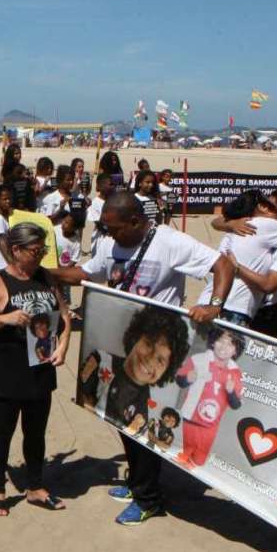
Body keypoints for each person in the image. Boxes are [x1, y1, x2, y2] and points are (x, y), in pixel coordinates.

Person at [52, 191, 234, 525]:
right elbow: (85, 274)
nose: (108, 234)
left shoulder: (169, 242)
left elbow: (222, 264)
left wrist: (215, 304)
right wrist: (46, 272)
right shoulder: (109, 243)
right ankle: (138, 483)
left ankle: (149, 499)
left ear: (136, 222)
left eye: (115, 228)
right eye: (105, 228)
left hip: (157, 351)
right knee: (121, 416)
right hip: (122, 344)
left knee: (146, 424)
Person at [0, 223, 72, 517]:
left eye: (43, 249)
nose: (41, 255)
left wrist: (63, 347)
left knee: (36, 431)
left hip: (41, 368)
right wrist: (5, 318)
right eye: (35, 250)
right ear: (16, 250)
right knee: (3, 431)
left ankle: (35, 487)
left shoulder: (45, 277)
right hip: (7, 369)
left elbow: (65, 318)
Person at [202, 189, 277, 326]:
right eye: (264, 204)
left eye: (272, 208)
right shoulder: (260, 225)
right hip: (235, 307)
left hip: (210, 302)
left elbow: (216, 222)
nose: (266, 208)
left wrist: (229, 224)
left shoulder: (237, 228)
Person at [174, 328, 244, 468]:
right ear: (213, 343)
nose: (223, 347)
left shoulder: (235, 373)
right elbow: (180, 380)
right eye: (220, 341)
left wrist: (230, 392)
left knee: (199, 462)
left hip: (209, 426)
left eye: (230, 344)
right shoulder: (198, 360)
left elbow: (236, 404)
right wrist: (187, 378)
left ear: (235, 351)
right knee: (183, 457)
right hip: (190, 418)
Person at [87, 173, 114, 256]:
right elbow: (98, 223)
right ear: (101, 186)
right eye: (110, 184)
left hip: (112, 239)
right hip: (101, 239)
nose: (113, 186)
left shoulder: (114, 201)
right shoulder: (95, 202)